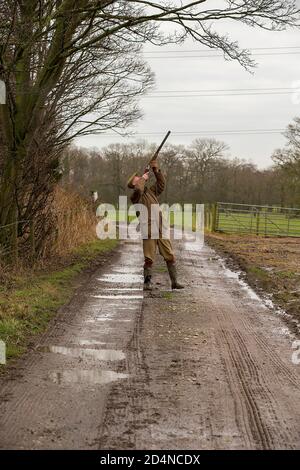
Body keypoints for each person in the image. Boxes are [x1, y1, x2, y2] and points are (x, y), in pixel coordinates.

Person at [127, 160, 184, 291]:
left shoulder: (151, 192)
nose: (140, 178)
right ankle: (147, 283)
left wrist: (155, 170)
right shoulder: (135, 196)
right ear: (134, 184)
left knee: (170, 256)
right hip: (148, 230)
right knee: (149, 258)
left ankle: (174, 282)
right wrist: (145, 176)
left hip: (161, 229)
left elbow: (161, 185)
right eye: (138, 178)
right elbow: (139, 189)